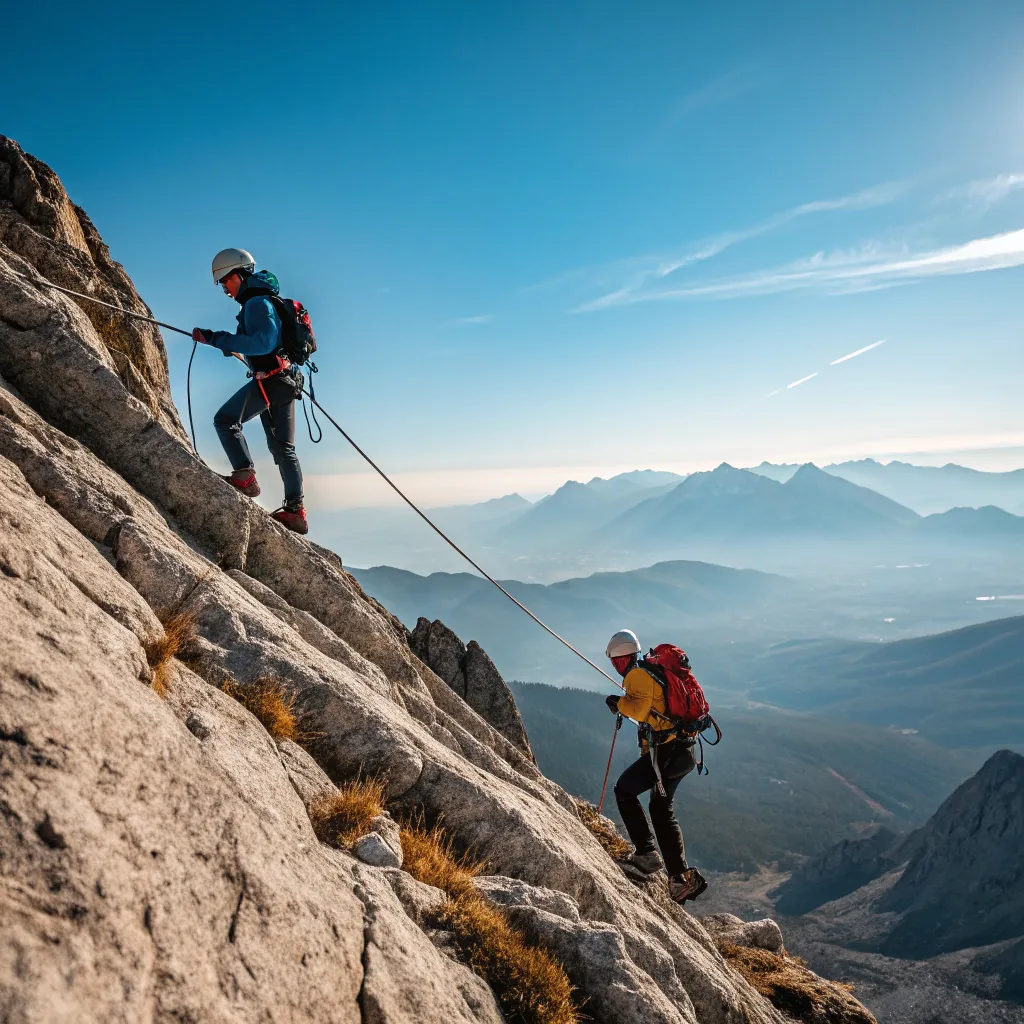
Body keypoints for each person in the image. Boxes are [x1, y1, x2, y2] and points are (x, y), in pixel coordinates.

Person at [192, 248, 308, 535]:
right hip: (286, 381)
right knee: (284, 449)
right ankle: (296, 511)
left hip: (271, 381)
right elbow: (262, 342)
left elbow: (264, 343)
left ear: (236, 274)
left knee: (225, 420)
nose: (225, 289)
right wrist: (233, 344)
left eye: (224, 282)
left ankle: (244, 476)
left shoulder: (256, 303)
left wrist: (216, 338)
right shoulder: (265, 300)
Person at [604, 628, 707, 904]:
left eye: (615, 662)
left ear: (621, 659)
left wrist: (618, 703)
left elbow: (637, 710)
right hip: (685, 751)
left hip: (668, 753)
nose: (615, 668)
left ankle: (647, 855)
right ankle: (679, 879)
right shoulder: (651, 671)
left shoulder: (637, 675)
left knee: (624, 790)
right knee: (661, 809)